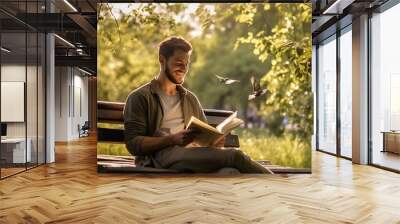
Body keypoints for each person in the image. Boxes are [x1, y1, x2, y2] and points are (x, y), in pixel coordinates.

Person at [123, 36, 272, 174]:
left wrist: (214, 142)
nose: (184, 69)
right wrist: (172, 139)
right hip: (159, 157)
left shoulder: (190, 98)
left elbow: (203, 137)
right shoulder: (140, 97)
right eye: (178, 63)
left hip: (190, 155)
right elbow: (133, 143)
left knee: (230, 173)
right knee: (235, 156)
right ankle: (279, 185)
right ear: (162, 60)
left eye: (186, 64)